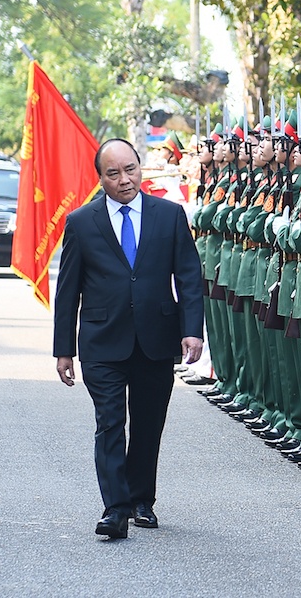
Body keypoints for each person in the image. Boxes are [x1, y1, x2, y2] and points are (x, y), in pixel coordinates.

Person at [53, 138, 204, 539]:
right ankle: (115, 508)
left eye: (130, 169)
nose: (124, 180)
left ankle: (141, 500)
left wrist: (192, 330)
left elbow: (189, 277)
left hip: (156, 336)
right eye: (114, 173)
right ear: (100, 177)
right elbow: (68, 290)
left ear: (141, 168)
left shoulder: (169, 216)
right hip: (103, 340)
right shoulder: (82, 222)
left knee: (148, 424)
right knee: (109, 424)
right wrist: (63, 349)